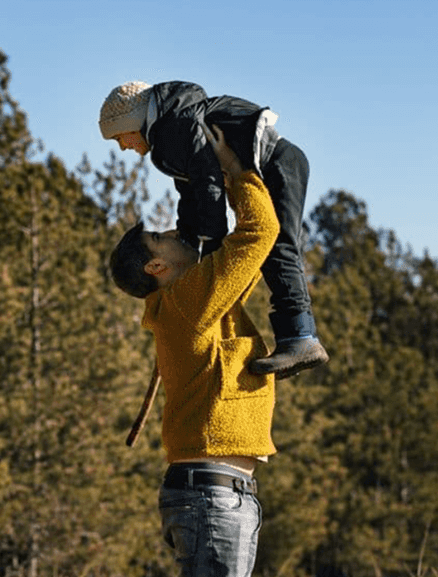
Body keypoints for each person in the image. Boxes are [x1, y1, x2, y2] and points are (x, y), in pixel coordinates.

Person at [105, 124, 275, 577]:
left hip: (224, 491)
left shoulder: (190, 303)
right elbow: (256, 235)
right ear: (156, 267)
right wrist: (237, 165)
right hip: (212, 496)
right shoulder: (184, 299)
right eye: (163, 239)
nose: (176, 234)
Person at [98, 79, 328, 379]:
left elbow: (208, 185)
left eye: (120, 138)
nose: (123, 148)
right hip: (277, 163)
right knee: (274, 246)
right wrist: (192, 241)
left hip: (277, 163)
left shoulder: (175, 129)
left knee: (278, 245)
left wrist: (214, 248)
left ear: (132, 122)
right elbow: (190, 193)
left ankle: (300, 338)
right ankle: (297, 336)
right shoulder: (173, 131)